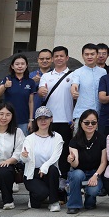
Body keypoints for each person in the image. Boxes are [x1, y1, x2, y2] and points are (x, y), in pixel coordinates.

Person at [37, 46, 74, 174]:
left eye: (61, 56)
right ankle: (46, 174)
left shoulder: (74, 75)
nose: (59, 58)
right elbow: (41, 91)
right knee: (48, 149)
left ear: (67, 58)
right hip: (49, 120)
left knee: (64, 150)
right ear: (53, 59)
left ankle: (63, 177)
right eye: (56, 56)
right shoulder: (46, 76)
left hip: (66, 119)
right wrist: (41, 91)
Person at [20, 106, 64, 211]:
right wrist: (24, 156)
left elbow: (56, 156)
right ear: (36, 121)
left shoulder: (57, 137)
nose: (43, 121)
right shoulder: (29, 138)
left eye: (46, 118)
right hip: (33, 173)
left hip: (48, 172)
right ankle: (36, 196)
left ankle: (54, 202)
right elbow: (24, 158)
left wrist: (45, 167)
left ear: (51, 119)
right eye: (40, 118)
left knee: (53, 169)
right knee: (40, 196)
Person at [66, 108, 108, 213]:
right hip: (79, 171)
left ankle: (90, 200)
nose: (90, 125)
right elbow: (75, 164)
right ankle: (74, 205)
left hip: (95, 171)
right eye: (87, 122)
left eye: (93, 122)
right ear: (81, 123)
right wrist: (72, 159)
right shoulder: (75, 140)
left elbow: (104, 162)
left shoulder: (102, 139)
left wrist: (96, 175)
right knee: (77, 175)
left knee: (93, 190)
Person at [0, 54, 37, 134]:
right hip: (7, 118)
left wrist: (31, 120)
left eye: (22, 64)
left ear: (26, 66)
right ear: (12, 66)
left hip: (24, 119)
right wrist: (5, 86)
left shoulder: (30, 82)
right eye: (17, 64)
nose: (20, 66)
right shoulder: (7, 79)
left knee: (22, 140)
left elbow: (31, 102)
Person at [70, 44, 106, 131]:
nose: (89, 57)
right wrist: (74, 92)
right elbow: (74, 85)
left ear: (97, 55)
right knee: (79, 139)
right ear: (82, 56)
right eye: (86, 54)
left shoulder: (103, 72)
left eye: (92, 54)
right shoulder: (78, 72)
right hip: (82, 115)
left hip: (99, 115)